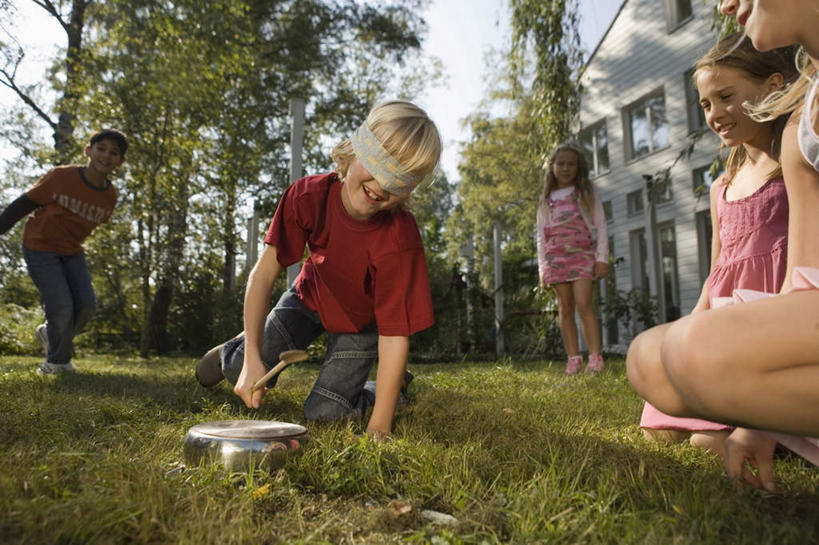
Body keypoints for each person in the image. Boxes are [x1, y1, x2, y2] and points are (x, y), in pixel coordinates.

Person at [627, 0, 819, 490]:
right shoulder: (795, 135)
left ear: (771, 87)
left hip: (777, 314)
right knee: (650, 362)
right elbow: (773, 272)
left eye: (726, 97)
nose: (714, 115)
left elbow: (790, 276)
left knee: (694, 392)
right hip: (777, 317)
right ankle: (763, 419)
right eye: (706, 105)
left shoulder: (790, 150)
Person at [196, 100, 441, 440]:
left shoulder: (399, 238)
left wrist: (380, 425)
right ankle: (237, 349)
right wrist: (253, 358)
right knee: (243, 367)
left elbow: (394, 332)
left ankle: (391, 383)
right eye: (379, 164)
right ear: (356, 149)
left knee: (326, 414)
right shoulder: (307, 196)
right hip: (307, 299)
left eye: (398, 180)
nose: (382, 186)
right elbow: (264, 273)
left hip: (362, 326)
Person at [0, 129, 128, 375]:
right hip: (40, 247)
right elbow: (24, 203)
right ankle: (55, 364)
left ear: (120, 162)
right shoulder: (61, 177)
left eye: (114, 153)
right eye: (101, 148)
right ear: (88, 150)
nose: (106, 156)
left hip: (71, 252)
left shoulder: (109, 197)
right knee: (61, 305)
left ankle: (50, 334)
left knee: (87, 306)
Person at [535, 143, 609, 374]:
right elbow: (540, 235)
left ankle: (595, 358)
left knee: (584, 304)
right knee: (565, 308)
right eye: (561, 163)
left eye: (571, 164)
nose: (566, 168)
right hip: (556, 259)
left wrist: (602, 257)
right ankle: (573, 358)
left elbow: (601, 225)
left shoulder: (586, 192)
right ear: (552, 167)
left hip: (582, 256)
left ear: (578, 167)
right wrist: (543, 268)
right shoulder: (546, 199)